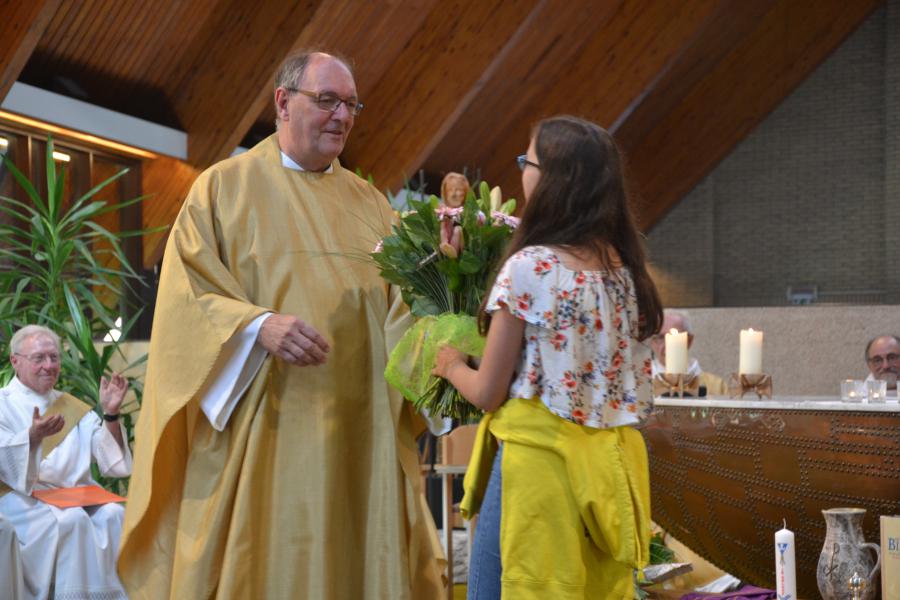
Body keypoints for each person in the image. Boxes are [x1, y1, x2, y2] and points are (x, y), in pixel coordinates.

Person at [118, 51, 444, 599]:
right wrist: (256, 327)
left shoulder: (374, 207)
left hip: (358, 436)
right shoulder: (222, 188)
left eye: (351, 104)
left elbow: (403, 314)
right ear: (282, 103)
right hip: (264, 427)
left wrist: (444, 288)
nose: (342, 115)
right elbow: (186, 296)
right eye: (326, 100)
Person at [433, 115, 663, 599]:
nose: (522, 172)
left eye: (527, 161)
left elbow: (490, 392)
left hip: (539, 473)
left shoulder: (530, 268)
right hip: (607, 474)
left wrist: (452, 365)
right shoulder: (629, 273)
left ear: (556, 180)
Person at [0, 324, 131, 600]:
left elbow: (110, 460)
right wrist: (31, 438)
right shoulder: (3, 403)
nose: (49, 365)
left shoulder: (71, 405)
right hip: (25, 499)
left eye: (54, 357)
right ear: (15, 361)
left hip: (76, 496)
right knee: (72, 520)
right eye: (39, 358)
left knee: (114, 515)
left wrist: (110, 414)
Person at [647, 309, 728, 397]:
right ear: (651, 342)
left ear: (689, 340)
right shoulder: (642, 384)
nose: (668, 344)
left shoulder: (716, 385)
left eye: (675, 337)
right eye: (660, 337)